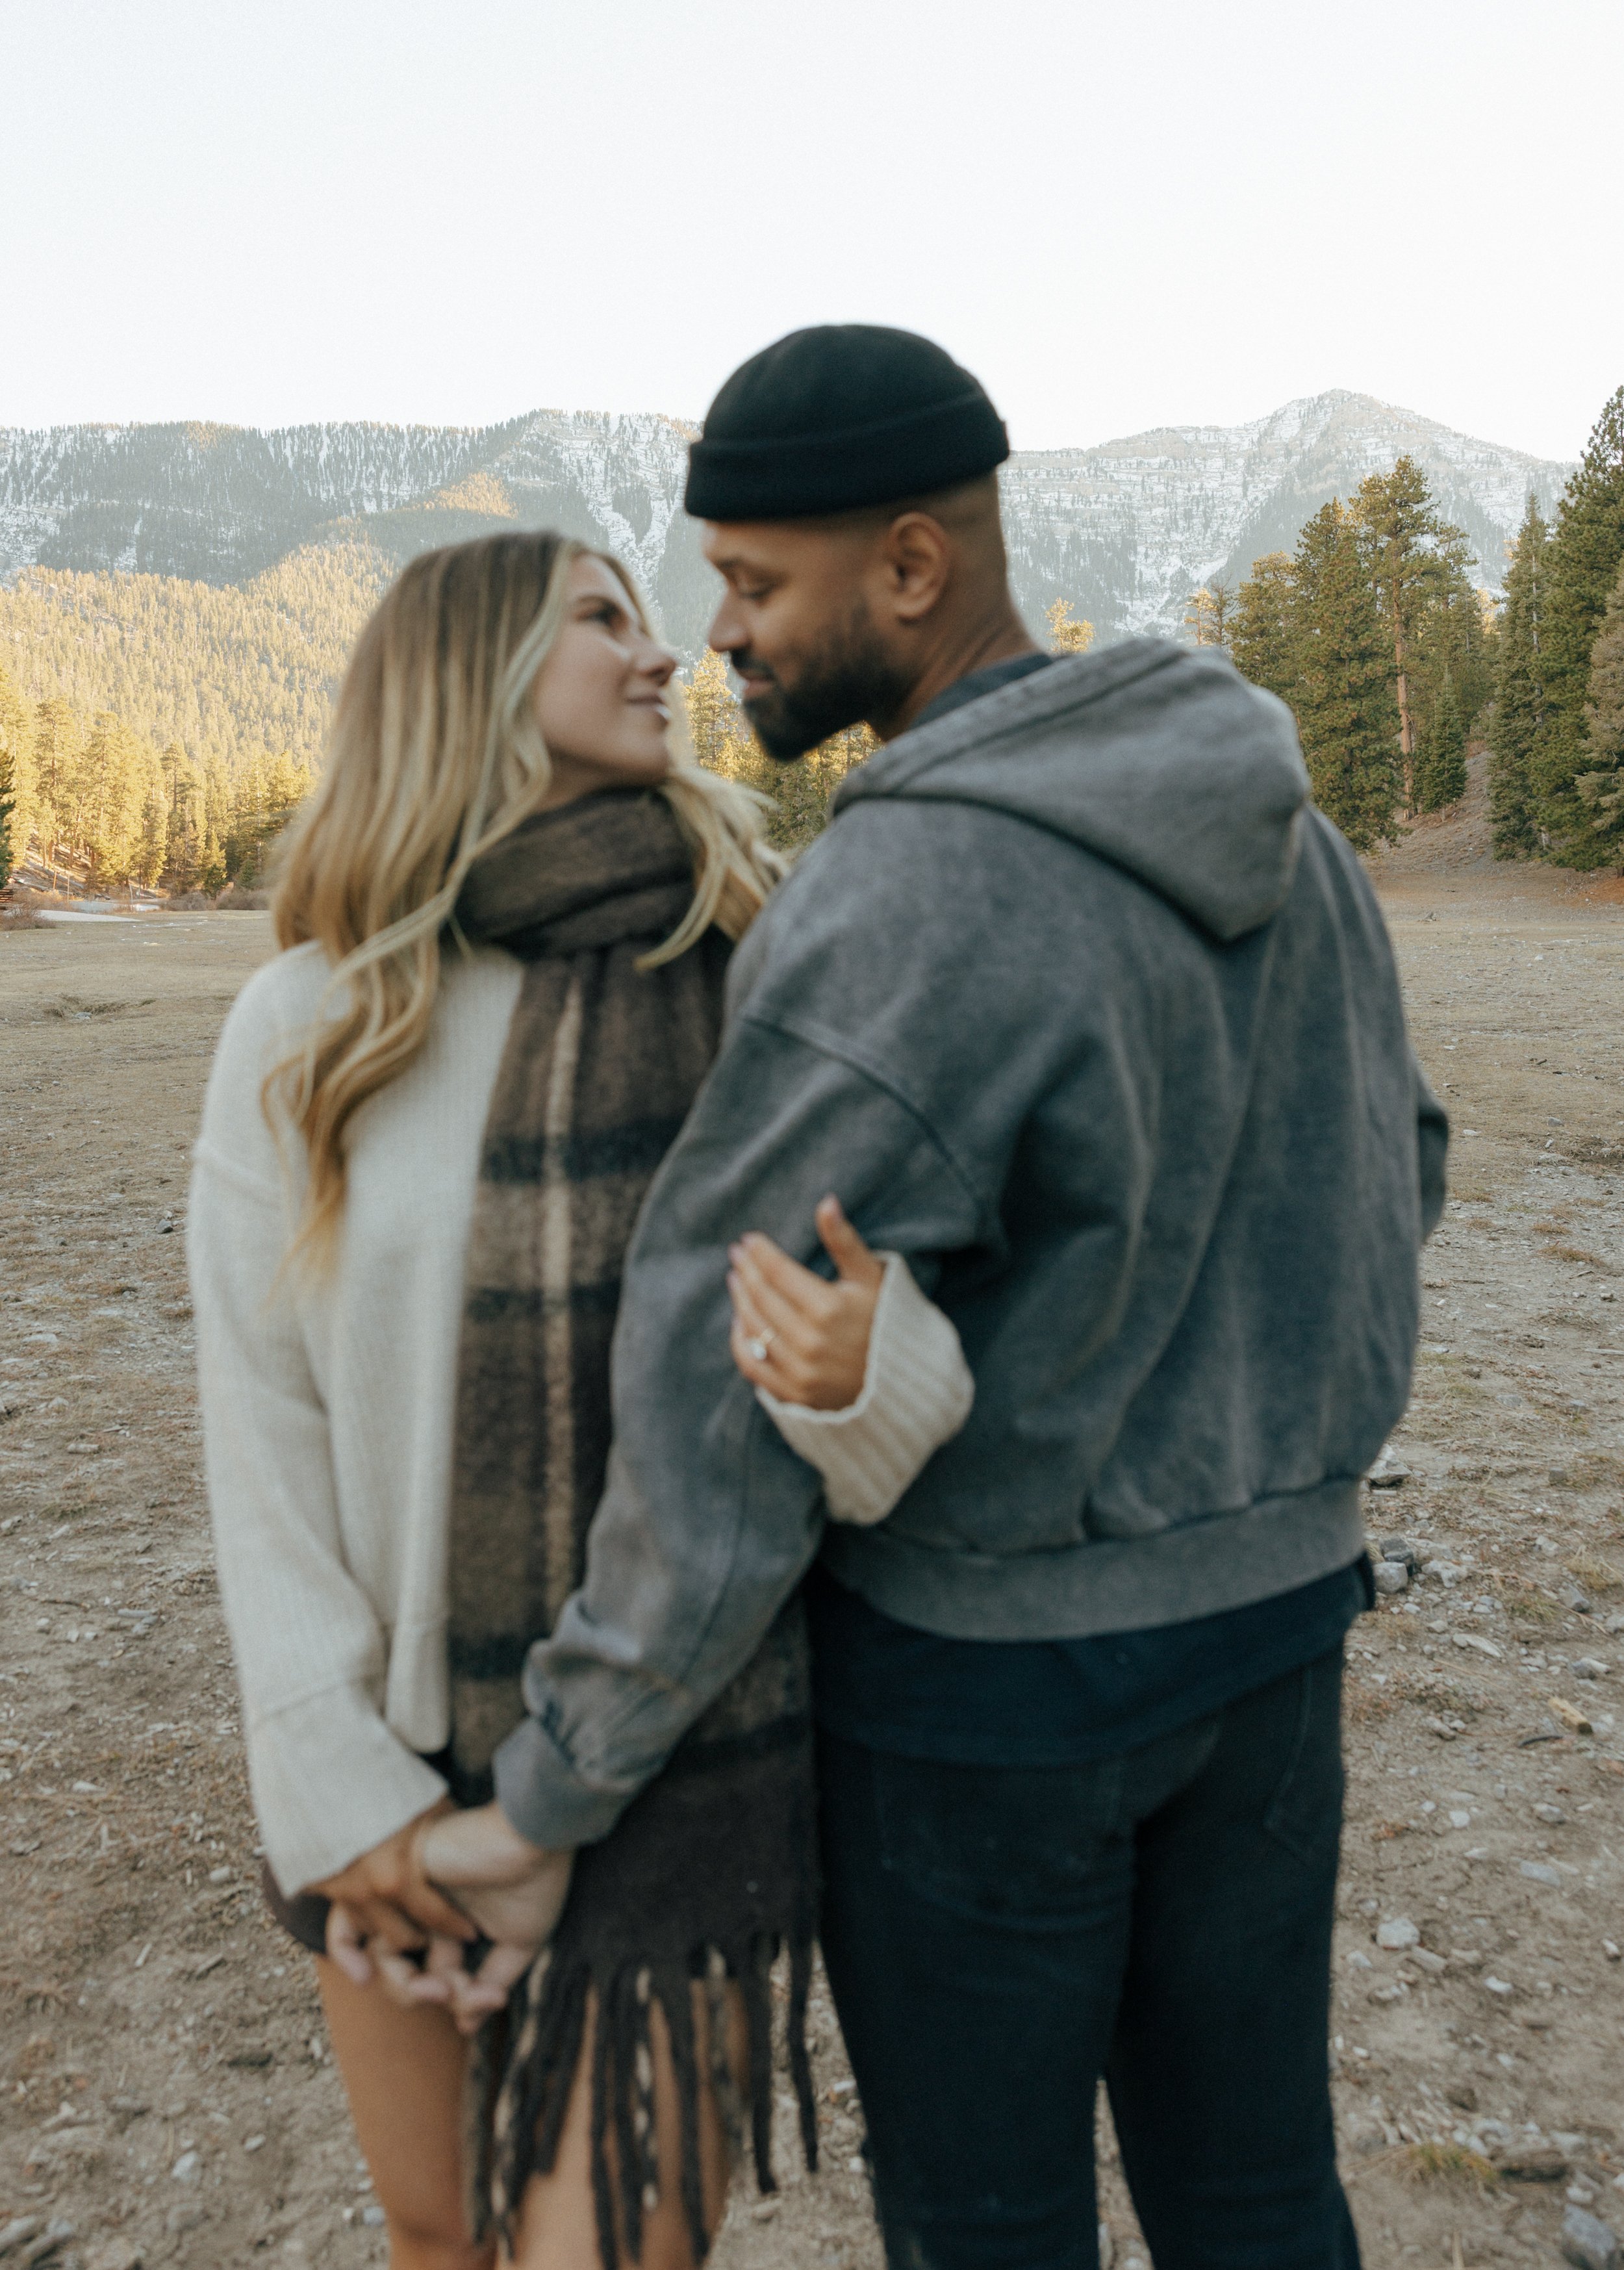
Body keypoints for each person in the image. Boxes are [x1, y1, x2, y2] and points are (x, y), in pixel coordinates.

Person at [463, 327, 1449, 2270]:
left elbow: (710, 1365)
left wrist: (566, 1772)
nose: (720, 632)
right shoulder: (1283, 826)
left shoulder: (901, 891)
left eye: (754, 582)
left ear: (909, 570)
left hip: (996, 1705)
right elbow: (1393, 1162)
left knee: (989, 2232)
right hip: (1274, 1644)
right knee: (1258, 2197)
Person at [187, 529, 974, 2270]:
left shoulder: (754, 980)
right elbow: (261, 1427)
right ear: (466, 682)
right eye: (602, 621)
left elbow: (889, 1389)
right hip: (384, 1767)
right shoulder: (312, 1022)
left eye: (649, 616)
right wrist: (340, 1784)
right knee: (434, 2235)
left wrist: (876, 1372)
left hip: (670, 1765)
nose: (662, 654)